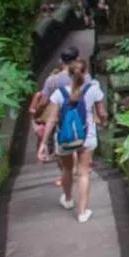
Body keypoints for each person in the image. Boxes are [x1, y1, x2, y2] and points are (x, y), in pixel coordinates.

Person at [38, 56, 106, 222]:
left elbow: (52, 119)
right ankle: (82, 212)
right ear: (86, 72)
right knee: (83, 173)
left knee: (67, 169)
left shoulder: (58, 94)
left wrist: (43, 143)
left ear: (68, 74)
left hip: (64, 138)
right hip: (87, 137)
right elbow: (102, 113)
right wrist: (103, 123)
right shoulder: (93, 89)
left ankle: (68, 199)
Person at [28, 46, 80, 167]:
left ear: (61, 61)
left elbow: (44, 101)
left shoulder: (52, 80)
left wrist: (38, 112)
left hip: (60, 118)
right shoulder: (83, 77)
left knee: (63, 149)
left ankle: (66, 173)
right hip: (79, 115)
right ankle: (79, 171)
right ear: (77, 59)